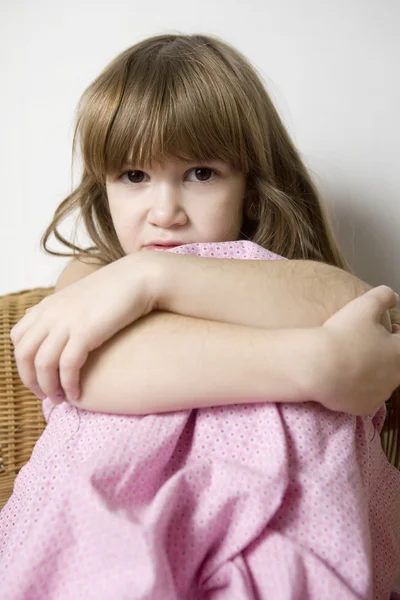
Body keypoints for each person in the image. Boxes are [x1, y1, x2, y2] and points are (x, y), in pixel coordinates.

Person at [2, 33, 400, 599]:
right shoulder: (93, 274)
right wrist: (318, 362)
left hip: (283, 525)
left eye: (201, 174)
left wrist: (153, 278)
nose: (164, 213)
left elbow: (349, 305)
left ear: (253, 188)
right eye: (134, 177)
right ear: (104, 185)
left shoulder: (272, 275)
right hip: (111, 528)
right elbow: (83, 370)